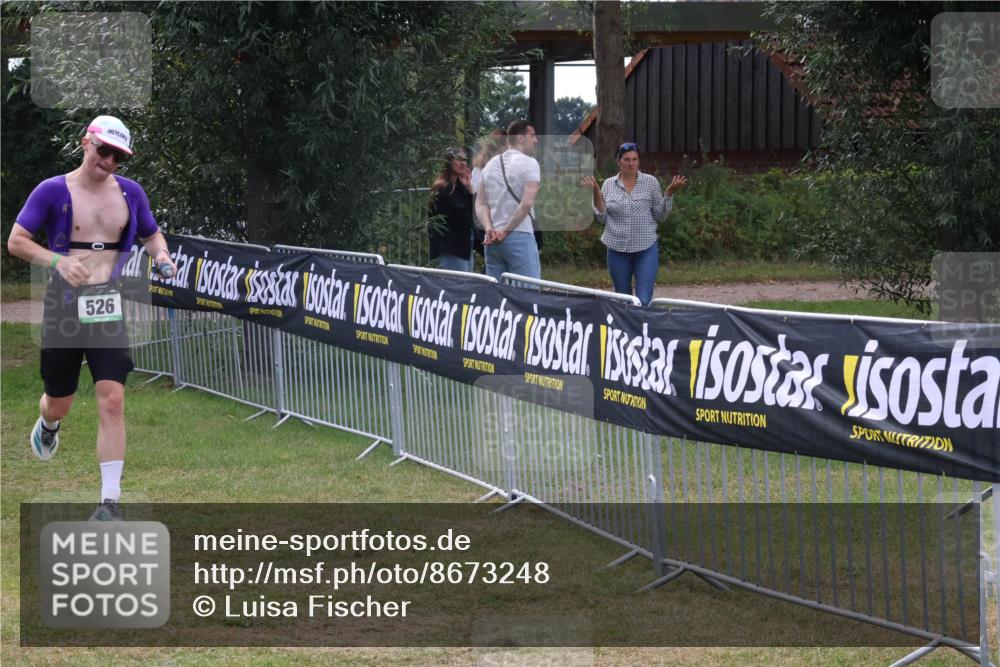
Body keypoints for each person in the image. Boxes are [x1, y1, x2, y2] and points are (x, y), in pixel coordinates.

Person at [6, 115, 177, 520]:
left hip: (107, 304)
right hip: (64, 306)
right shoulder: (52, 190)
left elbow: (151, 234)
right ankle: (48, 424)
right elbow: (17, 242)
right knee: (60, 402)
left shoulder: (131, 194)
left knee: (113, 399)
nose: (110, 162)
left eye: (119, 157)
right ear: (86, 143)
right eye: (104, 151)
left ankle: (110, 502)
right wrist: (57, 262)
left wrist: (162, 256)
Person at [581, 142, 687, 305]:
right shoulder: (609, 184)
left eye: (635, 159)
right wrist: (596, 190)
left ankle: (642, 328)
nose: (631, 164)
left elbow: (660, 216)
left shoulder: (651, 182)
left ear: (639, 161)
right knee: (624, 301)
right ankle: (628, 330)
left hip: (645, 249)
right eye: (627, 160)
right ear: (619, 161)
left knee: (643, 300)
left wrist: (669, 192)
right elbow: (602, 218)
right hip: (617, 250)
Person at [475, 119, 541, 281]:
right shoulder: (530, 163)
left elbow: (480, 203)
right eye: (532, 135)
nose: (536, 140)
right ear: (520, 138)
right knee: (527, 295)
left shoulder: (489, 165)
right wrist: (505, 231)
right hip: (518, 235)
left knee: (497, 298)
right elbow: (526, 203)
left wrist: (489, 227)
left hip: (491, 239)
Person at [427, 148, 475, 272]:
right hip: (450, 249)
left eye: (464, 159)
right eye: (458, 159)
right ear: (449, 162)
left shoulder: (460, 186)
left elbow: (472, 216)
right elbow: (466, 219)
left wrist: (470, 189)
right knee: (457, 288)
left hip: (464, 247)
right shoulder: (444, 189)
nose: (463, 163)